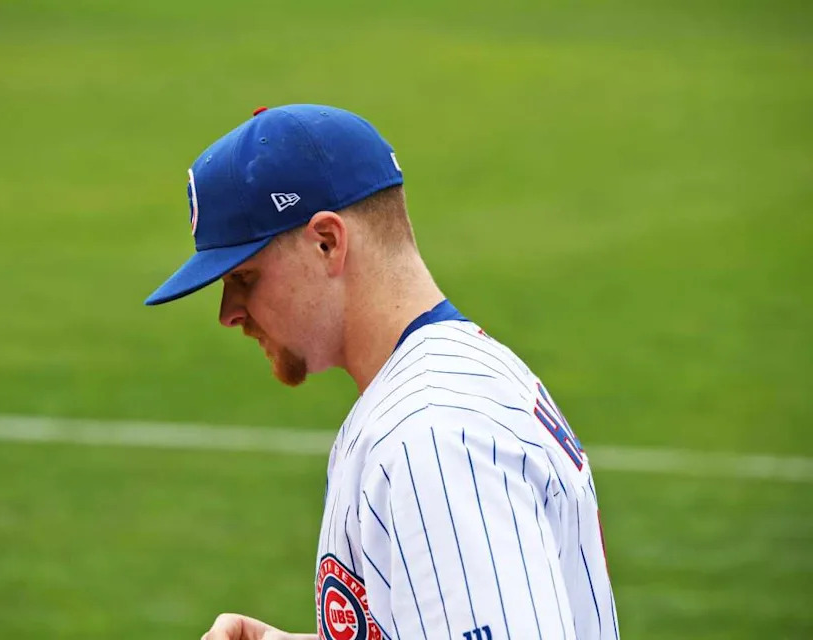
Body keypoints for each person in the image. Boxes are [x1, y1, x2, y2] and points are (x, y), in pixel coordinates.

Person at [145, 104, 619, 640]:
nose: (228, 312)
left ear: (328, 242)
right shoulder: (448, 382)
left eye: (245, 277)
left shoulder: (432, 435)